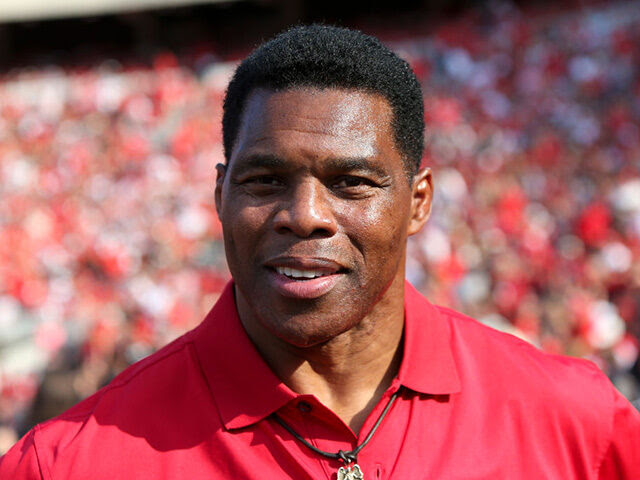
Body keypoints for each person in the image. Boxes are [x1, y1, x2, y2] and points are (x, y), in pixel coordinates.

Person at [1, 24, 639, 479]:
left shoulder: (577, 422)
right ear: (219, 193)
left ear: (418, 202)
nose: (304, 216)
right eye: (264, 180)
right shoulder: (65, 463)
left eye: (351, 183)